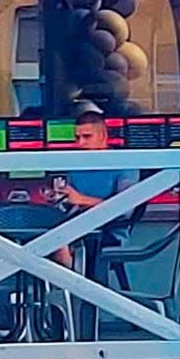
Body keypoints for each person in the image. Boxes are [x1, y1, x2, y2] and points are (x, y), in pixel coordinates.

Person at [51, 111, 139, 266]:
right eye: (77, 138)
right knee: (37, 237)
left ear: (103, 136)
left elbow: (125, 209)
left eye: (87, 137)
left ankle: (73, 280)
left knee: (57, 242)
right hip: (75, 225)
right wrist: (59, 198)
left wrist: (81, 199)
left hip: (108, 231)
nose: (80, 143)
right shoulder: (76, 165)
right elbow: (71, 204)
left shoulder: (124, 163)